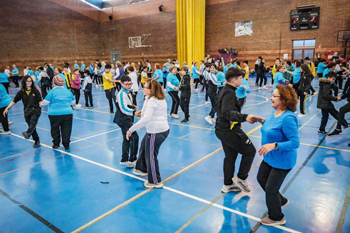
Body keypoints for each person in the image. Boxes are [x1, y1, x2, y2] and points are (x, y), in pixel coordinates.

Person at [257, 85, 300, 227]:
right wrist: (261, 121)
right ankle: (280, 200)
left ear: (284, 99)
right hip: (270, 157)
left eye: (274, 96)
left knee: (271, 189)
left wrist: (274, 145)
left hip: (282, 160)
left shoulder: (288, 117)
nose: (271, 98)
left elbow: (294, 142)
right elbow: (273, 126)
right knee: (261, 178)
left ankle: (277, 217)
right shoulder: (275, 112)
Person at [215, 68, 262, 193]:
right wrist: (244, 117)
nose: (243, 80)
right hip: (228, 130)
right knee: (250, 151)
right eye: (241, 78)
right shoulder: (229, 93)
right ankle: (241, 178)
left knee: (230, 155)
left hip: (223, 128)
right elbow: (226, 112)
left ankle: (228, 184)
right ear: (234, 79)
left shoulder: (227, 90)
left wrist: (237, 121)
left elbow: (223, 110)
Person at [127, 79, 169, 188]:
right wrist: (142, 112)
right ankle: (142, 168)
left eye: (145, 87)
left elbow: (147, 118)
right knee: (144, 146)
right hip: (158, 130)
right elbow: (149, 112)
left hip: (156, 131)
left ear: (151, 90)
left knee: (151, 156)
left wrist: (131, 129)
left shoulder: (153, 101)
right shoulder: (152, 98)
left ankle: (155, 181)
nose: (143, 88)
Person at [4, 76, 42, 147]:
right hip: (27, 111)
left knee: (33, 122)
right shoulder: (21, 92)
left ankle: (27, 133)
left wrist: (40, 102)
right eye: (27, 81)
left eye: (30, 81)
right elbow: (14, 101)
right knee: (32, 127)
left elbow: (40, 99)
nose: (29, 83)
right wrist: (7, 108)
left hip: (36, 110)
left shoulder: (35, 90)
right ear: (24, 82)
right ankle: (36, 140)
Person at [40, 76, 75, 150]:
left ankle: (56, 144)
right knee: (67, 129)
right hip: (67, 113)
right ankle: (66, 144)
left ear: (54, 83)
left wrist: (41, 103)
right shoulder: (68, 91)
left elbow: (46, 102)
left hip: (54, 114)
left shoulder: (52, 91)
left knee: (55, 129)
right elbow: (73, 102)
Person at [114, 75, 138, 167]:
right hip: (123, 119)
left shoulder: (128, 92)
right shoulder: (121, 94)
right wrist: (134, 112)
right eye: (126, 84)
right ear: (121, 83)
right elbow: (123, 108)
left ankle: (124, 159)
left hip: (127, 118)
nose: (129, 86)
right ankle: (132, 159)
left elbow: (127, 104)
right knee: (134, 137)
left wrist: (133, 107)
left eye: (130, 84)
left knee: (126, 138)